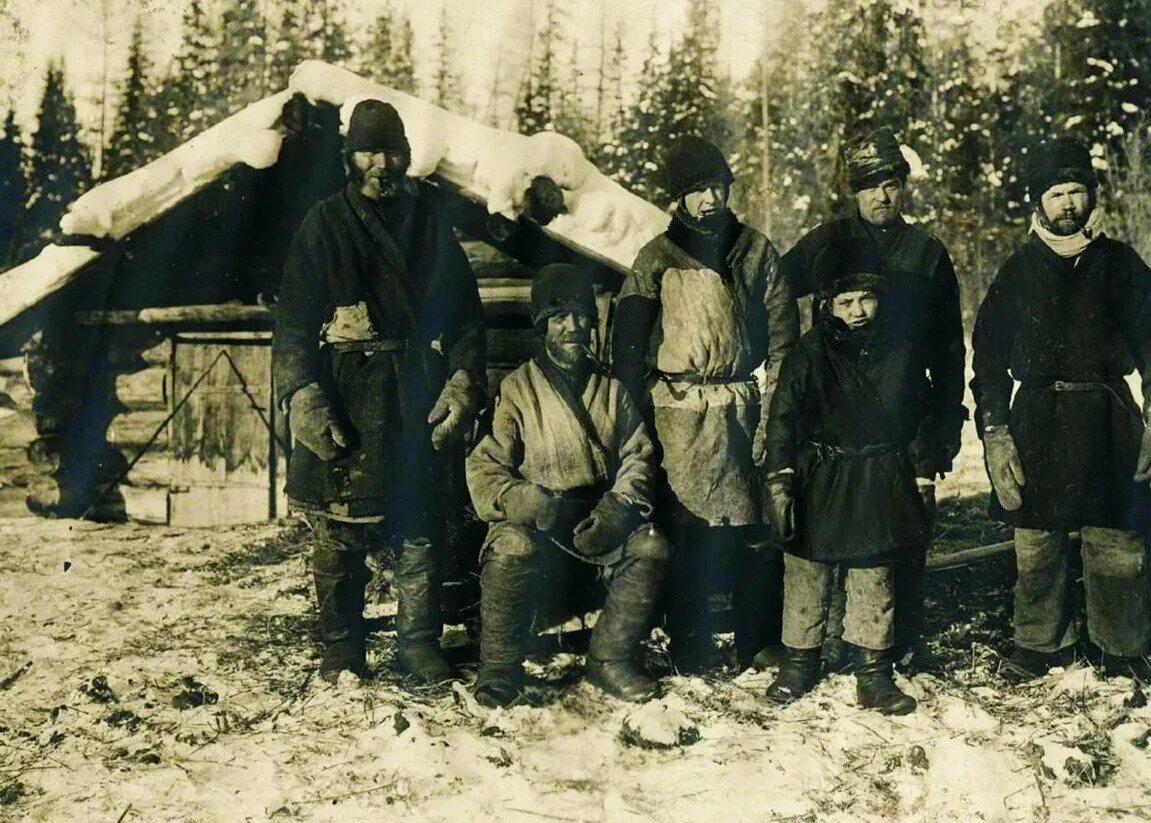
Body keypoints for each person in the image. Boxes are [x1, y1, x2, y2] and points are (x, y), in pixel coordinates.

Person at [273, 98, 486, 685]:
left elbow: (465, 319)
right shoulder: (323, 224)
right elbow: (292, 323)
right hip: (347, 393)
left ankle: (418, 646)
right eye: (369, 151)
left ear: (407, 157)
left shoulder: (428, 226)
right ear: (350, 158)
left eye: (392, 151)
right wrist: (305, 395)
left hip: (414, 392)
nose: (382, 164)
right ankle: (342, 648)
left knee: (418, 528)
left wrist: (464, 379)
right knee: (339, 532)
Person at [779, 127, 966, 670]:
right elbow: (771, 293)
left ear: (904, 187)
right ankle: (829, 642)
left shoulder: (926, 252)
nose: (881, 196)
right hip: (835, 411)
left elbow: (950, 349)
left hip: (906, 409)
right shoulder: (827, 241)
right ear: (853, 192)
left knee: (901, 533)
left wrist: (946, 425)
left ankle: (893, 642)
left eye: (890, 184)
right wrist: (787, 357)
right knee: (824, 534)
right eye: (869, 186)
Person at [613, 135, 799, 672]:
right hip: (677, 412)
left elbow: (784, 339)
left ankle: (756, 641)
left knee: (751, 533)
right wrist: (636, 421)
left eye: (716, 188)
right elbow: (627, 349)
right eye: (696, 191)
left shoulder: (757, 251)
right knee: (686, 532)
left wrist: (773, 411)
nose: (708, 201)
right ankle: (689, 643)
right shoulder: (655, 259)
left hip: (740, 406)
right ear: (678, 198)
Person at [971, 136, 1151, 683]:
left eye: (1077, 191)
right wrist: (996, 432)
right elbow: (988, 358)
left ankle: (1121, 646)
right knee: (1037, 539)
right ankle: (1039, 641)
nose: (1068, 204)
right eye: (1056, 193)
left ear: (1092, 197)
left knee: (1115, 537)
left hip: (1107, 415)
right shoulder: (1017, 271)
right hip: (1039, 419)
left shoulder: (1121, 265)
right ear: (1038, 203)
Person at [466, 264, 668, 707]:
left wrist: (619, 507)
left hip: (597, 519)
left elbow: (639, 456)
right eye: (559, 318)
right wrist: (523, 499)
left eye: (579, 317)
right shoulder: (517, 389)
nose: (571, 327)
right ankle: (499, 670)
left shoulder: (612, 390)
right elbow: (486, 467)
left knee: (651, 547)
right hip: (538, 520)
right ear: (543, 327)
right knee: (509, 548)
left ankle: (609, 660)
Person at [763, 238, 927, 715]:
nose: (857, 311)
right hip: (823, 473)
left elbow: (922, 413)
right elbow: (783, 418)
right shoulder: (810, 352)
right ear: (828, 304)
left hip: (879, 473)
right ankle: (800, 661)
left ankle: (873, 671)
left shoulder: (902, 350)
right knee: (807, 570)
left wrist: (923, 471)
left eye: (866, 299)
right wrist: (780, 477)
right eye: (846, 301)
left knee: (873, 574)